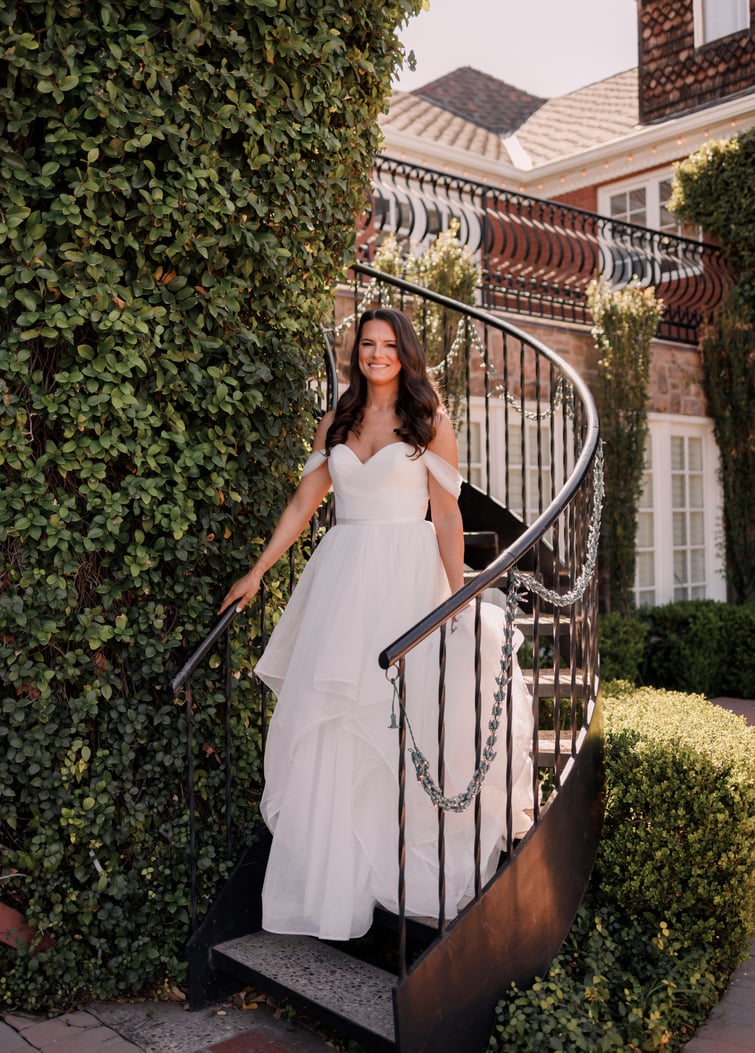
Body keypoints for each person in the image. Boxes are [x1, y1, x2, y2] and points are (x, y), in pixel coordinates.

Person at [220, 307, 533, 941]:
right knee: (339, 723)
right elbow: (305, 503)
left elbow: (446, 517)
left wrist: (455, 600)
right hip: (343, 577)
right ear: (356, 352)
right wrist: (256, 572)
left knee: (402, 721)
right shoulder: (335, 419)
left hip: (406, 578)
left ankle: (399, 868)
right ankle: (338, 884)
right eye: (367, 343)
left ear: (405, 352)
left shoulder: (429, 421)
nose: (378, 353)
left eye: (389, 344)